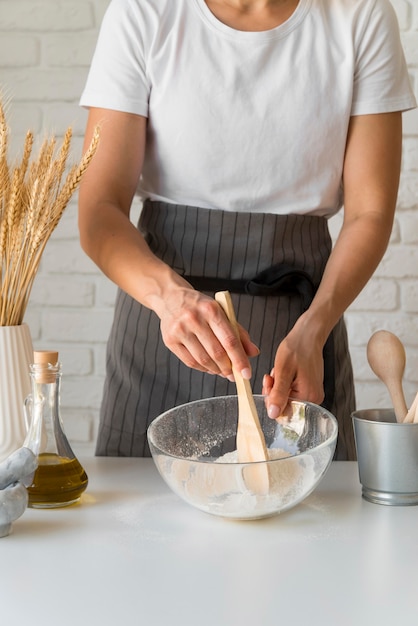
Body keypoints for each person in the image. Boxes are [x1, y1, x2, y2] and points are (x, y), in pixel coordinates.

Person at [78, 0, 416, 460]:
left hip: (301, 332)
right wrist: (170, 299)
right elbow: (99, 209)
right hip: (162, 328)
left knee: (314, 525)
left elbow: (369, 214)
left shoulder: (361, 14)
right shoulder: (143, 11)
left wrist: (314, 329)